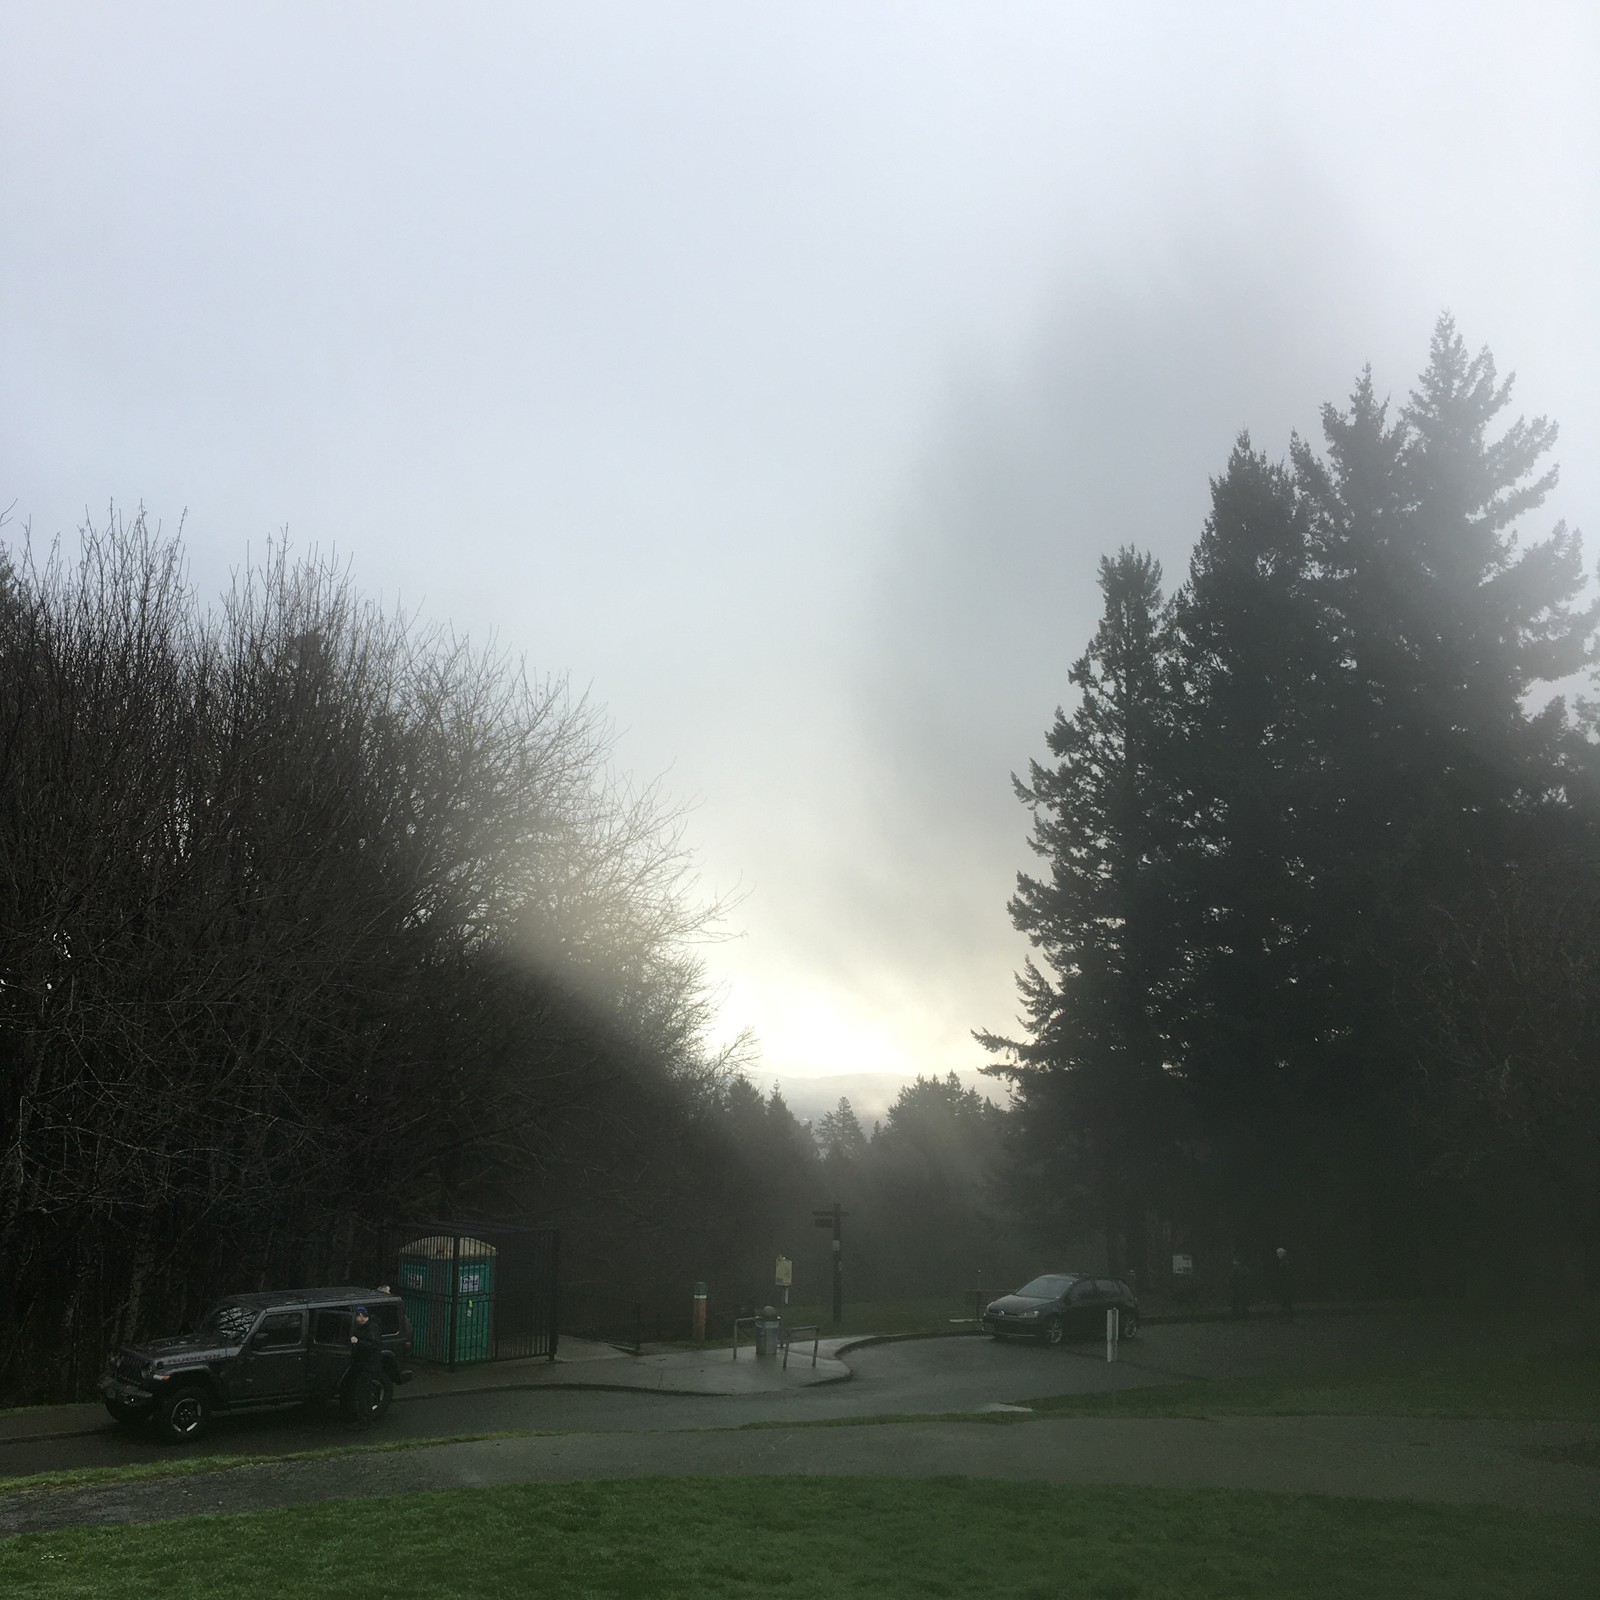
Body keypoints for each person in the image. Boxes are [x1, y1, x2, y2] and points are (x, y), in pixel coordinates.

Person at [346, 1305, 384, 1423]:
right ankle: (364, 1418)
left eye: (357, 1317)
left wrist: (358, 1342)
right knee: (363, 1391)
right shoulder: (367, 1327)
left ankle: (364, 1419)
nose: (356, 1320)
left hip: (368, 1364)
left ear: (361, 1316)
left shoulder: (371, 1328)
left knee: (363, 1391)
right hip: (365, 1364)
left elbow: (374, 1345)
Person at [1271, 1247, 1294, 1321]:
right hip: (1286, 1285)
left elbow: (1284, 1275)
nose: (1277, 1255)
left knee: (1285, 1301)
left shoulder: (1284, 1263)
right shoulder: (1286, 1262)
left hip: (1285, 1285)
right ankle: (1288, 1316)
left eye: (1278, 1254)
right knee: (1287, 1301)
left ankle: (1285, 1317)